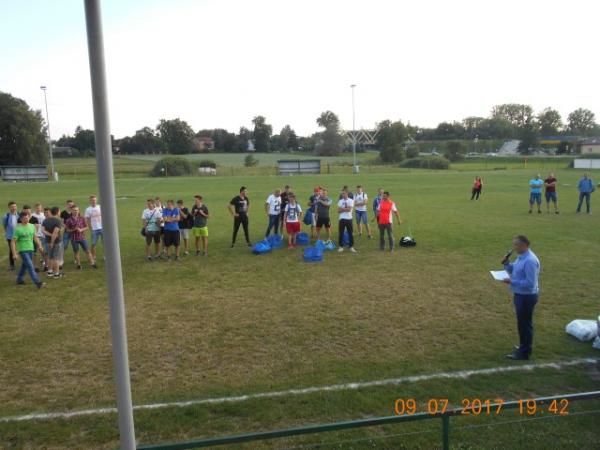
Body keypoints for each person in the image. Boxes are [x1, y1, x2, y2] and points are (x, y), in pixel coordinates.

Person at [501, 235, 540, 360]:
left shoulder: (530, 261)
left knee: (524, 325)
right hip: (520, 295)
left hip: (526, 297)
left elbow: (530, 283)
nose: (514, 247)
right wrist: (506, 263)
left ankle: (524, 353)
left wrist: (511, 281)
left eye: (516, 245)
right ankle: (524, 347)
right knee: (522, 323)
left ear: (524, 246)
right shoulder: (521, 257)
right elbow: (514, 269)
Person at [11, 211, 45, 288]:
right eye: (25, 218)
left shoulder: (32, 226)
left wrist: (40, 246)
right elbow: (13, 242)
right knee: (30, 266)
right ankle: (38, 283)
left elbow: (35, 237)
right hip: (22, 250)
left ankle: (19, 280)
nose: (27, 219)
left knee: (24, 265)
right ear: (21, 219)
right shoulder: (18, 229)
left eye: (27, 218)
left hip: (31, 249)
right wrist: (14, 253)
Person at [65, 205, 97, 270]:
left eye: (77, 210)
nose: (76, 211)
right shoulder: (69, 220)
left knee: (87, 251)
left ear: (78, 210)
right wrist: (74, 229)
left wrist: (81, 229)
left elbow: (87, 227)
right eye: (74, 210)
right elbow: (67, 230)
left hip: (82, 238)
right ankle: (78, 265)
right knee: (76, 252)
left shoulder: (82, 218)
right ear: (71, 211)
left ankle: (92, 263)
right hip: (74, 238)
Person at [43, 206, 64, 278]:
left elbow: (43, 230)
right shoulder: (58, 221)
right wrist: (52, 242)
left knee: (50, 257)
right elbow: (55, 233)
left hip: (47, 241)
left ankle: (49, 272)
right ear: (57, 212)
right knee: (56, 258)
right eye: (59, 211)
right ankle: (56, 274)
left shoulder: (46, 220)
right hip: (56, 242)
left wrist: (50, 235)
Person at [84, 195, 103, 260]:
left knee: (105, 243)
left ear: (96, 200)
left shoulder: (100, 207)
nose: (93, 201)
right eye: (92, 200)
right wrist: (90, 228)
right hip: (94, 229)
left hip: (102, 228)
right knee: (93, 244)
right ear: (90, 201)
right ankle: (93, 256)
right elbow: (87, 220)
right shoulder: (88, 209)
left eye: (94, 200)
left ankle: (106, 255)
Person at [3, 201, 19, 271]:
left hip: (20, 235)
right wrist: (8, 233)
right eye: (12, 207)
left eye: (15, 206)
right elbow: (5, 226)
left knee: (22, 249)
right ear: (9, 207)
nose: (14, 208)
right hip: (10, 236)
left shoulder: (19, 215)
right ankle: (12, 265)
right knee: (11, 250)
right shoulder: (6, 216)